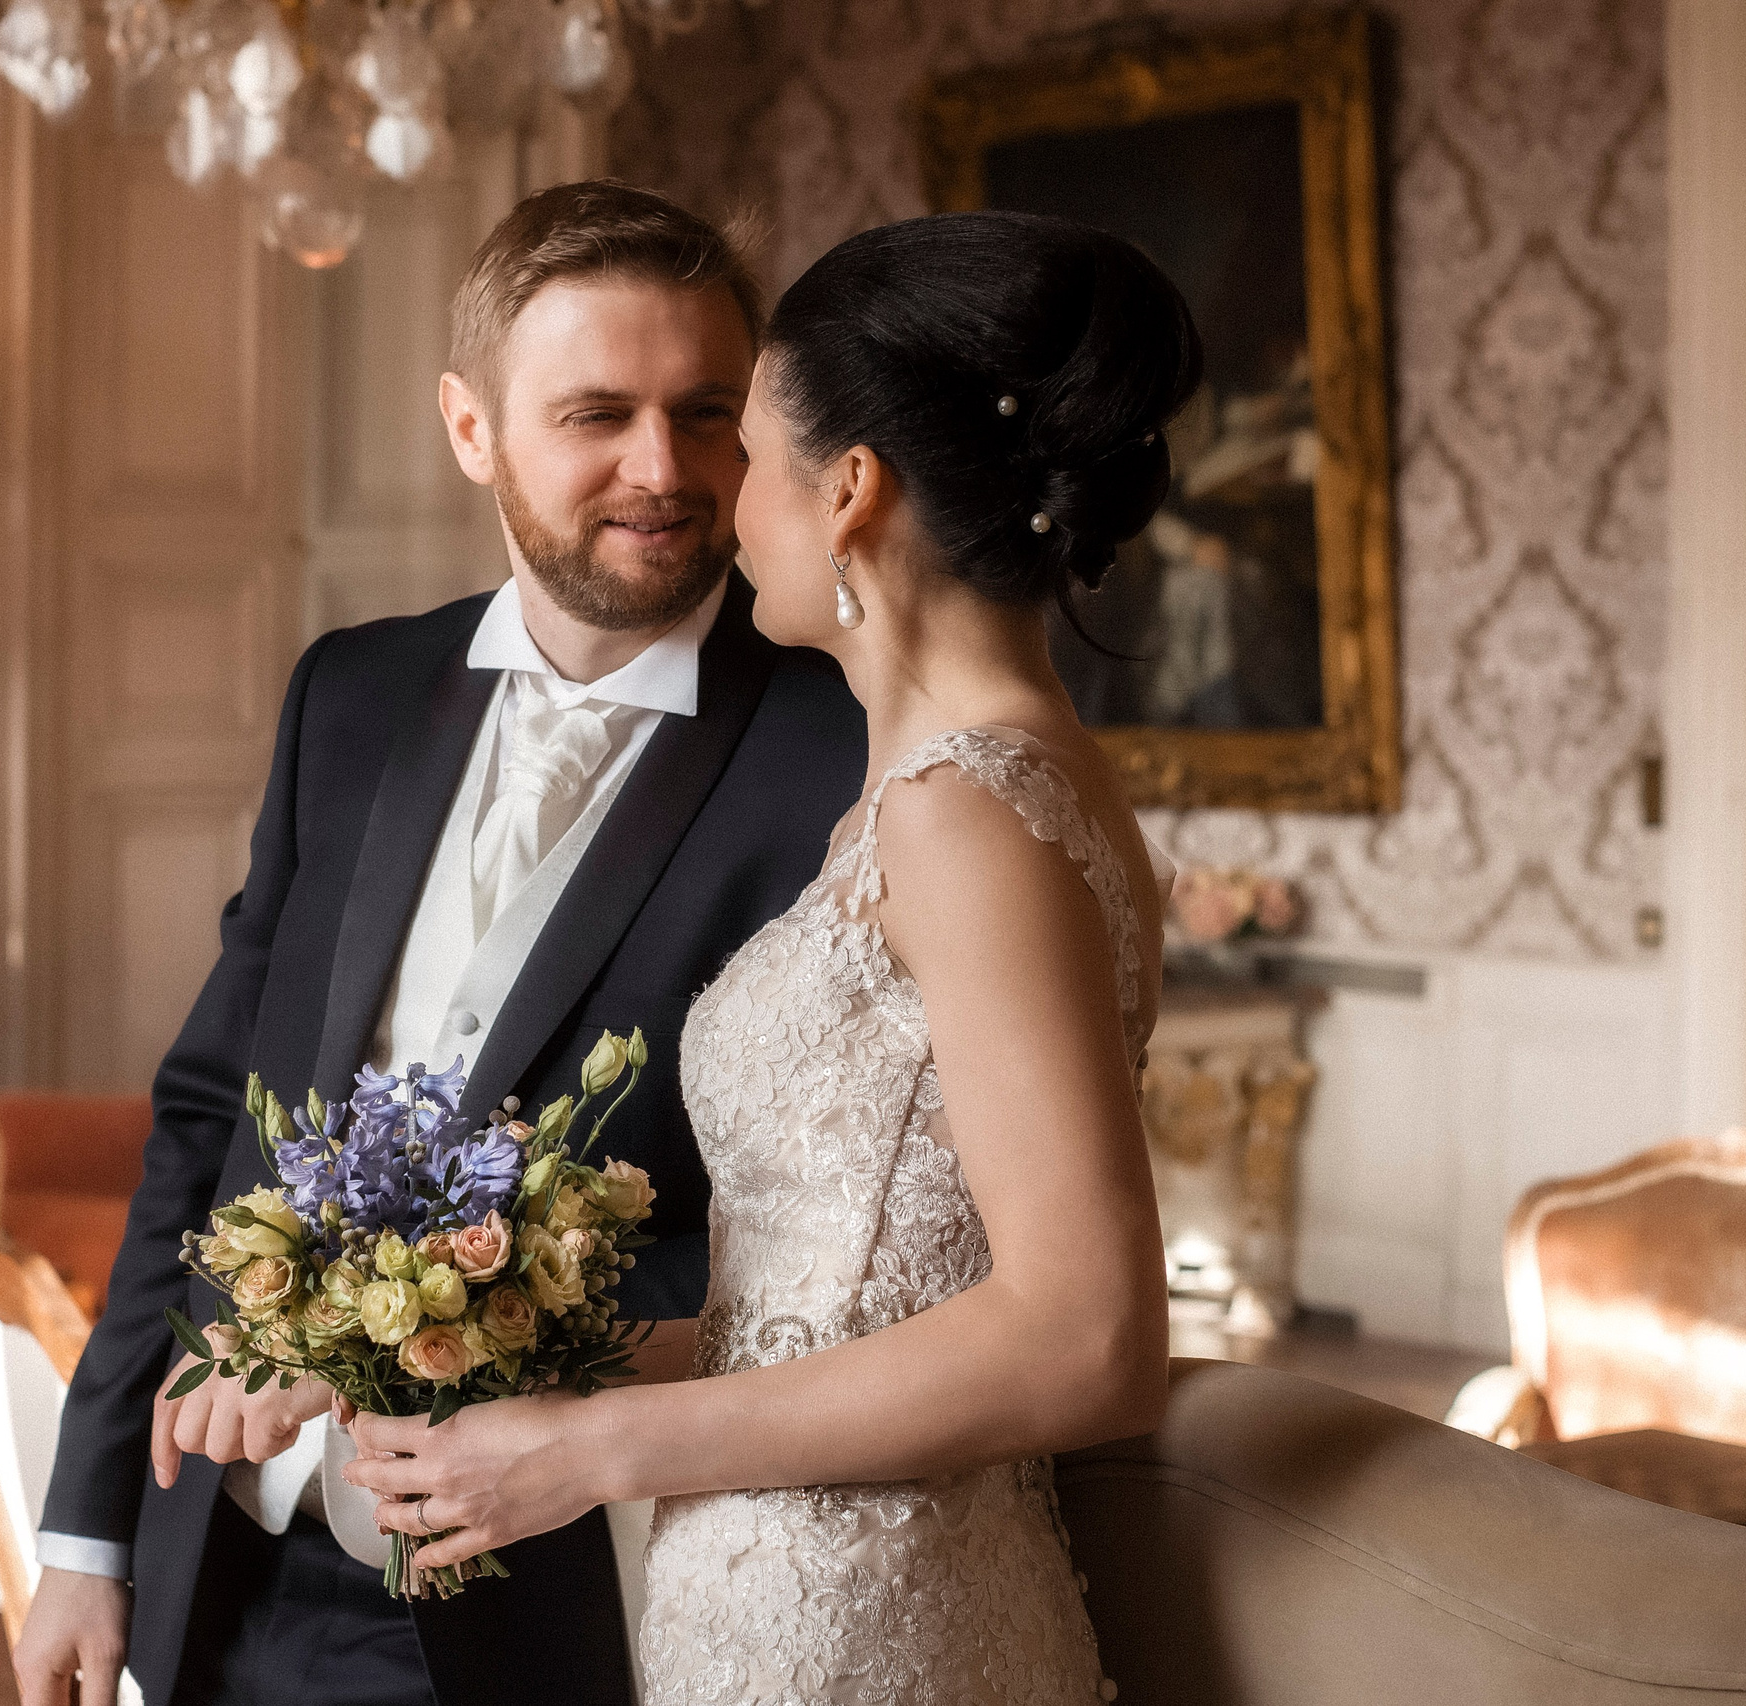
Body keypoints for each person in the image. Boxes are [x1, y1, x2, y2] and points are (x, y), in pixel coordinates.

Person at [13, 181, 866, 1706]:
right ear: (470, 429)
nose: (662, 469)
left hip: (556, 1585)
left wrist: (382, 1343)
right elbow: (213, 1117)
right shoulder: (349, 692)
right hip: (223, 1552)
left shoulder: (844, 751)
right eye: (596, 413)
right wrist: (87, 1531)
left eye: (706, 411)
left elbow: (819, 1250)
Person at [341, 210, 1202, 1705]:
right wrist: (537, 1379)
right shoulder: (971, 786)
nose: (714, 499)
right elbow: (837, 1293)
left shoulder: (963, 816)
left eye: (744, 443)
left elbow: (1088, 1331)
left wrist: (593, 1451)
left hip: (874, 1618)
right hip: (776, 1588)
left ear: (849, 489)